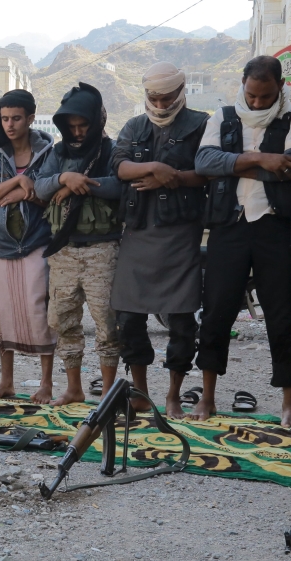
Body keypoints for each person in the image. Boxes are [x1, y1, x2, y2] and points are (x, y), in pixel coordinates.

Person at [193, 56, 291, 427]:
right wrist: (261, 160)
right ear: (242, 85)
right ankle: (207, 396)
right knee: (216, 312)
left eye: (266, 96)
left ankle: (288, 403)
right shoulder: (223, 116)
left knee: (283, 315)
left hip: (275, 228)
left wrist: (236, 162)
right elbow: (205, 163)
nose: (258, 103)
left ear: (280, 89)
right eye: (252, 95)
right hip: (230, 227)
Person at [111, 63, 209, 418]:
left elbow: (210, 171)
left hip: (181, 233)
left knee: (182, 322)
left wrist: (175, 178)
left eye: (168, 97)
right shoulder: (135, 126)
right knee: (129, 318)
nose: (162, 104)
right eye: (155, 97)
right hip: (137, 232)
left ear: (181, 91)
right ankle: (139, 393)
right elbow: (119, 166)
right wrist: (155, 170)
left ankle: (172, 396)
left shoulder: (201, 124)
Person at [35, 82, 123, 406]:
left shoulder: (112, 150)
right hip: (65, 250)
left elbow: (121, 186)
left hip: (103, 249)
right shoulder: (58, 154)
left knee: (107, 324)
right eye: (70, 127)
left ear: (96, 122)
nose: (77, 133)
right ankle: (74, 389)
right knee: (64, 320)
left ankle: (110, 394)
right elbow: (40, 186)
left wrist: (78, 184)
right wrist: (62, 178)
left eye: (82, 125)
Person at [0, 90, 58, 404]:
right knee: (4, 313)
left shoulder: (49, 152)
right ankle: (6, 381)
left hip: (38, 241)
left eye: (16, 118)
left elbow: (49, 194)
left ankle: (47, 385)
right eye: (5, 118)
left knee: (40, 311)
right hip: (2, 245)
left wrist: (24, 193)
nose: (10, 125)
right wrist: (18, 183)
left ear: (31, 118)